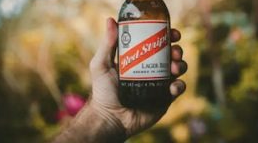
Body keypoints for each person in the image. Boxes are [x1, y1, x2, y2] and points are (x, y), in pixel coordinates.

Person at [53, 18, 188, 143]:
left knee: (173, 63)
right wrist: (103, 114)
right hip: (125, 99)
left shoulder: (141, 6)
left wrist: (105, 116)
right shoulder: (130, 8)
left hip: (150, 97)